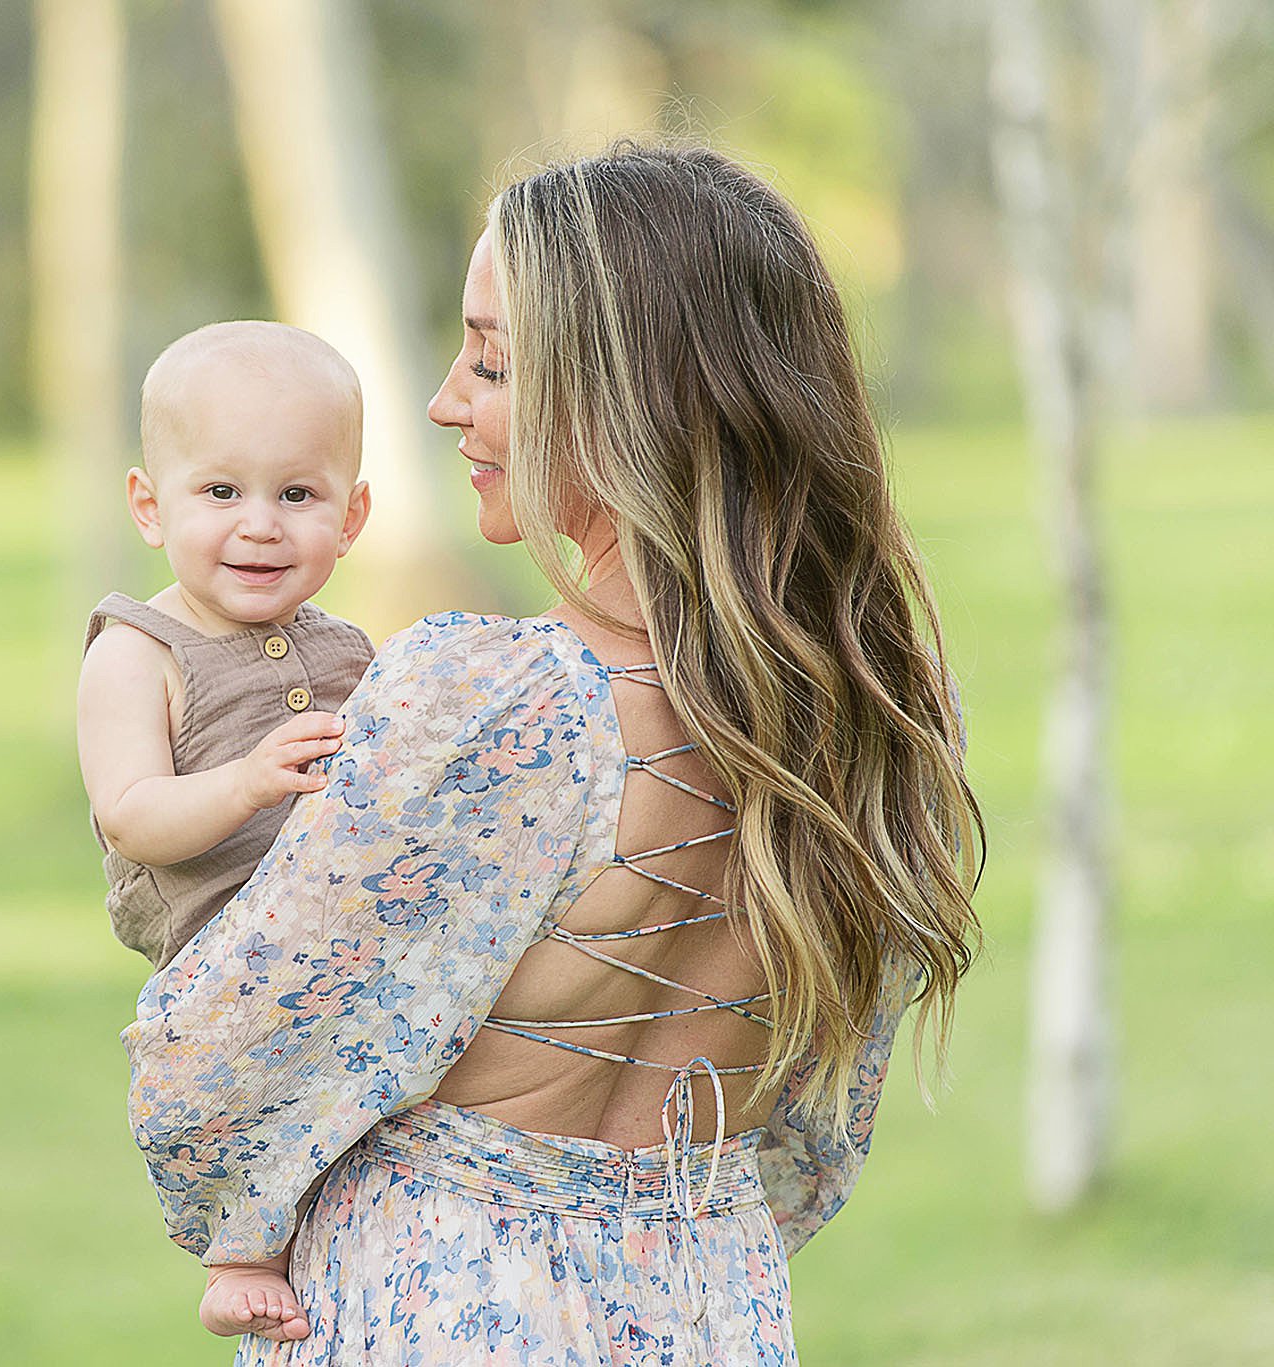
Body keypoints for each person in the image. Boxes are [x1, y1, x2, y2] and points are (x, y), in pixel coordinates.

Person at [123, 144, 983, 1365]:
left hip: (439, 1295)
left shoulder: (494, 697)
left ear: (625, 394)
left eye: (490, 360)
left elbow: (214, 1067)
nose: (441, 400)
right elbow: (815, 1129)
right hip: (706, 1302)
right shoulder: (877, 709)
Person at [77, 320, 378, 1340]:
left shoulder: (350, 648)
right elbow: (132, 812)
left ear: (353, 516)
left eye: (297, 495)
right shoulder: (137, 651)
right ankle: (238, 1249)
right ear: (149, 507)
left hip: (341, 925)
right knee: (241, 1069)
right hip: (219, 940)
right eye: (221, 492)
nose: (259, 525)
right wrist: (246, 782)